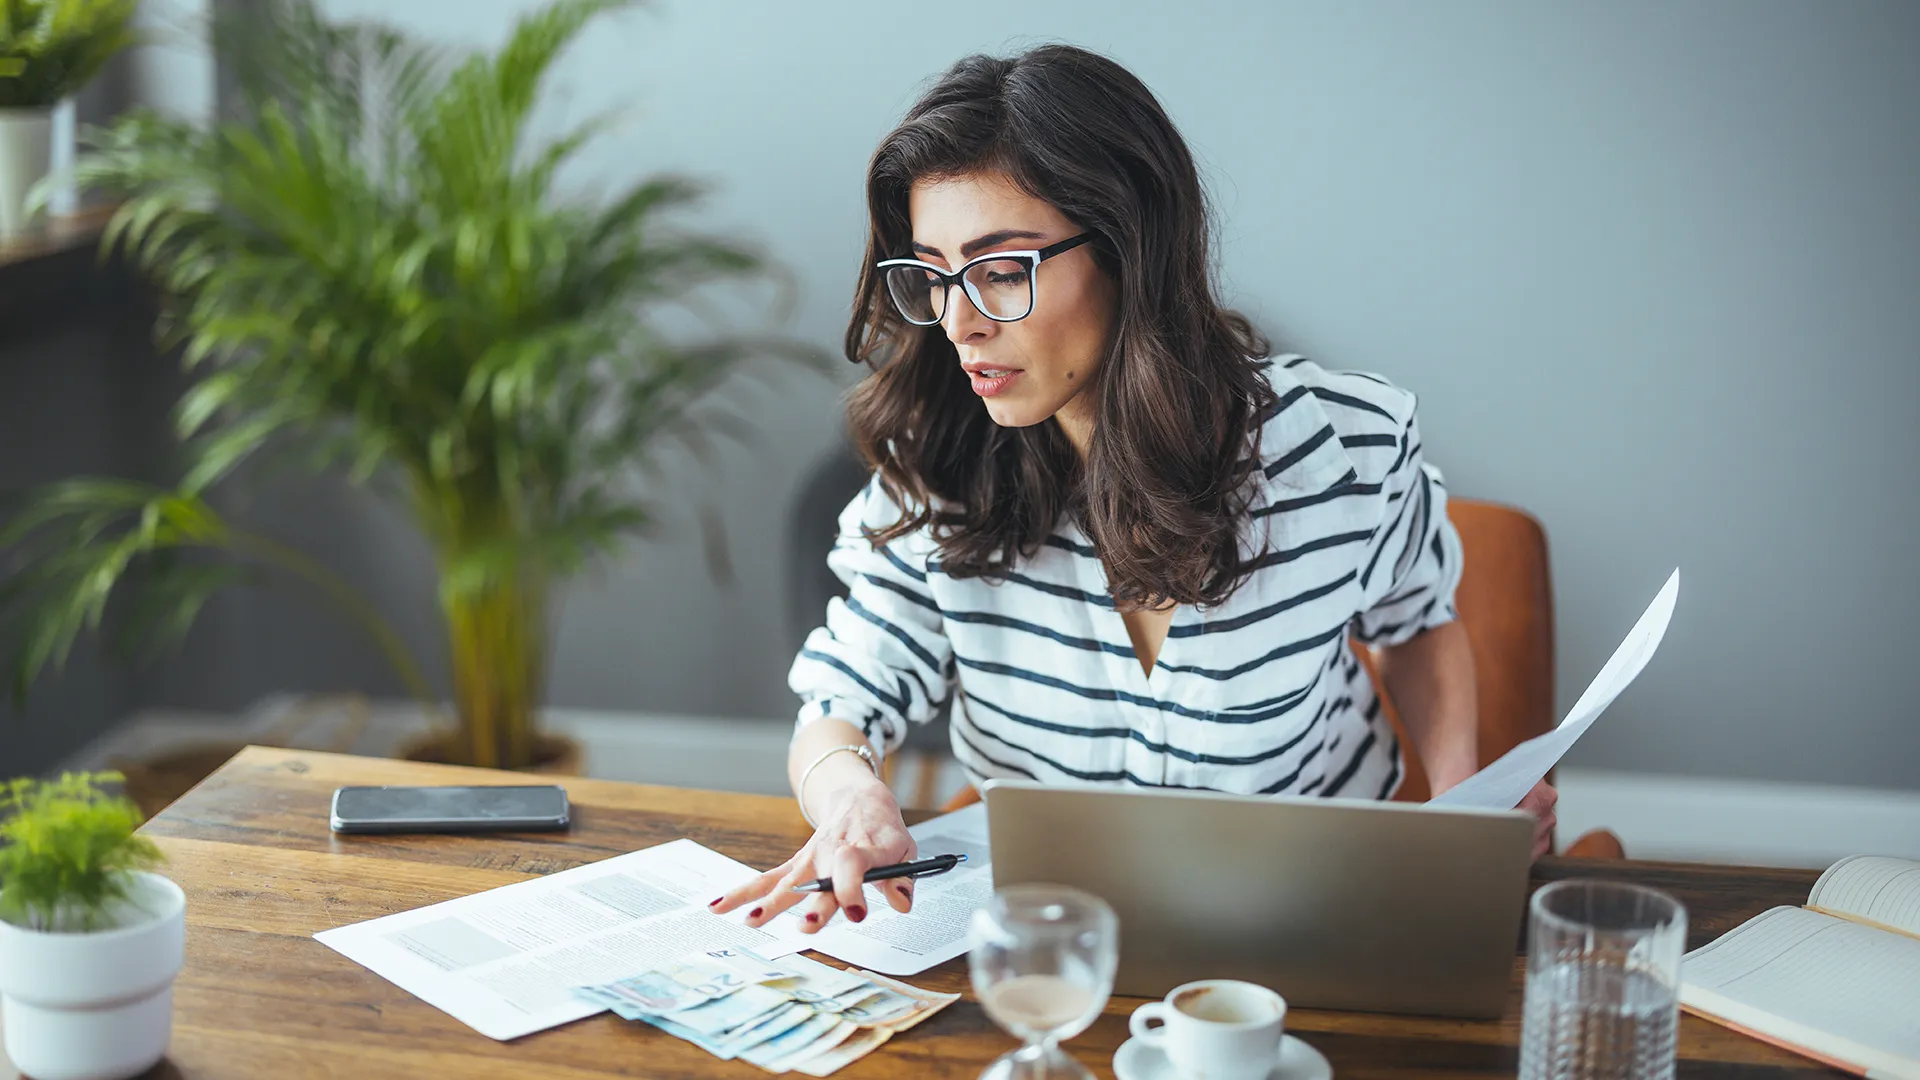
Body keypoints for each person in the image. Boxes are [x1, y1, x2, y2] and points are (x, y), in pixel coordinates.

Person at [711, 43, 1557, 935]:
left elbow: (1417, 624)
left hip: (1312, 917)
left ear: (1128, 250)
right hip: (1050, 935)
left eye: (1002, 271)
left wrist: (1463, 795)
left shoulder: (1341, 451)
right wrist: (849, 797)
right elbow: (844, 699)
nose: (959, 323)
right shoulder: (937, 474)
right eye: (933, 274)